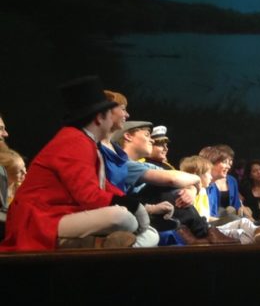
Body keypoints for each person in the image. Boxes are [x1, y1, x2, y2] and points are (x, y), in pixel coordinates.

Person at [1, 76, 151, 251]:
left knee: (147, 231)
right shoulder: (73, 141)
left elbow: (103, 187)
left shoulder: (84, 140)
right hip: (39, 218)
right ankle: (94, 245)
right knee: (121, 218)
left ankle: (104, 245)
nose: (112, 119)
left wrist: (133, 204)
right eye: (109, 113)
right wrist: (131, 205)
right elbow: (88, 195)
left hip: (61, 213)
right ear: (98, 118)